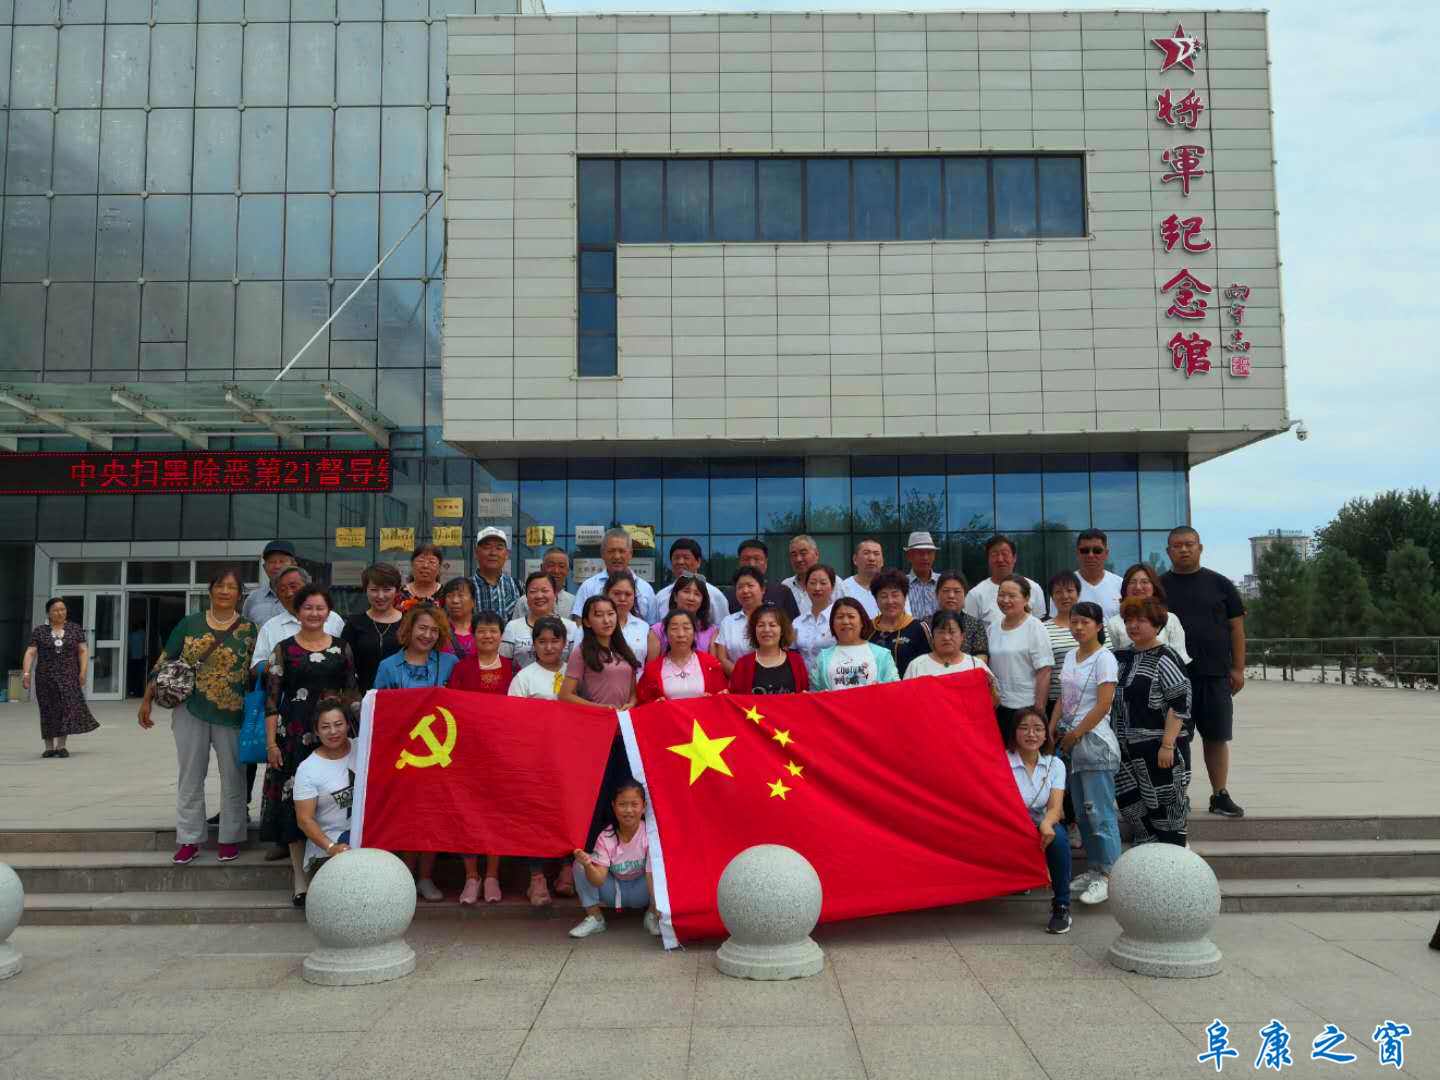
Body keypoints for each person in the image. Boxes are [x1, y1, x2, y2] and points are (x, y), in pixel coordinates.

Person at [137, 568, 257, 865]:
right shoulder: (189, 623)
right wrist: (147, 699)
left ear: (240, 594)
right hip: (190, 708)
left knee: (234, 775)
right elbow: (164, 662)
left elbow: (256, 672)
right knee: (190, 775)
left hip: (233, 713)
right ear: (210, 590)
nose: (225, 591)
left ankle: (230, 838)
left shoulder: (249, 630)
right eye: (220, 585)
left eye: (231, 587)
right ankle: (189, 838)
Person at [260, 583, 359, 907]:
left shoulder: (342, 648)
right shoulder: (284, 649)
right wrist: (271, 743)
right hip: (295, 735)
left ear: (328, 612)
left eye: (320, 608)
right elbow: (271, 700)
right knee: (296, 806)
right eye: (308, 608)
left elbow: (352, 694)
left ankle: (337, 862)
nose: (314, 613)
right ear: (297, 611)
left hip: (336, 730)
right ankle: (300, 879)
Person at [1162, 526, 1246, 819]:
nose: (1184, 550)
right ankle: (1177, 795)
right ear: (1168, 551)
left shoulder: (1221, 585)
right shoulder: (1159, 587)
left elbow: (1237, 628)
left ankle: (1220, 794)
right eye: (1177, 545)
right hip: (1172, 678)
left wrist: (1238, 668)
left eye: (1189, 544)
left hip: (1214, 674)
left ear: (1200, 548)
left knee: (1216, 736)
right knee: (1176, 739)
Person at [1050, 602, 1121, 907]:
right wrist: (1051, 727)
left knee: (1099, 812)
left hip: (1094, 743)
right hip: (1069, 743)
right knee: (1081, 812)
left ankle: (1110, 874)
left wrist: (1076, 733)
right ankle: (1094, 868)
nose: (1078, 628)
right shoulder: (1070, 655)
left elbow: (1104, 704)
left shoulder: (1104, 658)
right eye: (1075, 622)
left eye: (1085, 623)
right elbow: (1063, 698)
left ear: (1098, 626)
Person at [560, 596, 642, 860]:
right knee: (597, 797)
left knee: (624, 794)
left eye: (610, 613)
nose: (606, 620)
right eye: (599, 615)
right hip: (596, 737)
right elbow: (565, 695)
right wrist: (599, 710)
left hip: (625, 735)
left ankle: (623, 857)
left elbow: (633, 692)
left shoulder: (624, 650)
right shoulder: (581, 652)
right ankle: (590, 859)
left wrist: (631, 703)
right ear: (586, 621)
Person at [1112, 595, 1192, 847]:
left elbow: (1179, 704)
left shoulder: (1166, 657)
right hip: (1124, 752)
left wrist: (1168, 744)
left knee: (1166, 812)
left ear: (1157, 625)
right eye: (1128, 620)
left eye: (1141, 620)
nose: (1132, 625)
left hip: (1158, 749)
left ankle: (1174, 864)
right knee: (1134, 811)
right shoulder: (1120, 657)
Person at [1004, 707, 1072, 935]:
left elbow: (1055, 808)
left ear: (1045, 735)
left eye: (1037, 729)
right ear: (1014, 733)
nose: (1031, 734)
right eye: (1024, 728)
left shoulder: (1055, 764)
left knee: (1058, 837)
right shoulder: (1002, 761)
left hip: (1040, 822)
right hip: (1011, 823)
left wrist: (1046, 823)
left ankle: (1061, 906)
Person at [569, 779, 660, 939]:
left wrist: (659, 908)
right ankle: (595, 918)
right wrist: (588, 865)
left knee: (662, 864)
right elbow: (598, 880)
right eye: (622, 804)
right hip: (613, 892)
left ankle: (651, 916)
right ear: (613, 806)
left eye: (634, 804)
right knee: (579, 865)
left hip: (643, 891)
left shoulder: (651, 833)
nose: (628, 810)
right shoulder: (606, 836)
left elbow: (652, 876)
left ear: (644, 807)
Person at [22, 598, 99, 758]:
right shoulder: (40, 631)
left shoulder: (75, 629)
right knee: (48, 709)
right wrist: (26, 673)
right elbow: (30, 652)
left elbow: (83, 651)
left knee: (65, 708)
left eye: (63, 609)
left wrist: (83, 671)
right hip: (45, 677)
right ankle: (49, 747)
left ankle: (61, 746)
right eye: (56, 610)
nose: (60, 613)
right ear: (48, 613)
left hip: (68, 676)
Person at [292, 699, 356, 878]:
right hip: (329, 846)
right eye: (326, 727)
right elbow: (304, 820)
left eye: (338, 724)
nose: (333, 731)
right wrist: (331, 847)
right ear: (316, 731)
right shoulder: (308, 769)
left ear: (348, 725)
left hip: (367, 838)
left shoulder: (364, 748)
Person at [988, 576, 1054, 731]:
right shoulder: (993, 628)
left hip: (1026, 707)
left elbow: (1044, 672)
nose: (1005, 600)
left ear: (1026, 599)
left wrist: (1038, 711)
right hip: (999, 706)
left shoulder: (1035, 627)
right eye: (1001, 595)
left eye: (1012, 596)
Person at [250, 566, 346, 670]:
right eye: (282, 589)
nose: (289, 593)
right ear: (277, 596)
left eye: (293, 586)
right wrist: (279, 663)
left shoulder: (333, 619)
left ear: (308, 587)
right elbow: (256, 667)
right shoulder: (270, 627)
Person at [903, 610, 996, 701]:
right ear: (933, 636)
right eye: (941, 632)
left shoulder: (976, 665)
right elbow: (906, 700)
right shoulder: (916, 666)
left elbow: (993, 701)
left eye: (952, 632)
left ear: (962, 636)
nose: (946, 637)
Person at [636, 610, 727, 703]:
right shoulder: (652, 669)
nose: (681, 634)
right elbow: (642, 702)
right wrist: (655, 704)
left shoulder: (711, 663)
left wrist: (714, 699)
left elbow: (723, 699)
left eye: (686, 628)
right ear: (666, 633)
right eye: (674, 628)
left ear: (694, 633)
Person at [1104, 564, 1190, 662]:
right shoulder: (1113, 623)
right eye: (1132, 582)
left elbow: (1180, 658)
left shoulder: (1170, 619)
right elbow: (1114, 658)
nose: (1138, 587)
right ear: (1125, 588)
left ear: (1154, 587)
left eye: (1144, 582)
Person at [341, 562, 405, 692]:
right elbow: (345, 665)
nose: (380, 596)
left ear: (397, 591)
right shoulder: (354, 624)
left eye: (387, 590)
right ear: (365, 590)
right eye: (374, 590)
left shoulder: (408, 622)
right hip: (363, 697)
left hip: (402, 695)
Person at [572, 527, 658, 623]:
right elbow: (579, 623)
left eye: (622, 551)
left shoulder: (645, 589)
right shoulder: (588, 587)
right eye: (611, 551)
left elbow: (652, 626)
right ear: (602, 554)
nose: (617, 556)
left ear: (630, 554)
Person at [811, 597, 900, 690]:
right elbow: (814, 692)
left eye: (851, 616)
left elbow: (895, 689)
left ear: (862, 622)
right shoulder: (823, 658)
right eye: (840, 617)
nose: (845, 622)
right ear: (832, 624)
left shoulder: (882, 655)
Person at [501, 571, 582, 670]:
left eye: (545, 590)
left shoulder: (571, 628)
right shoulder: (513, 627)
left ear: (555, 594)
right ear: (526, 596)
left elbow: (576, 667)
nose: (539, 596)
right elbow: (504, 665)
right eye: (533, 591)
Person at [964, 535, 1050, 623]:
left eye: (1005, 554)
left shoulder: (1034, 588)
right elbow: (971, 630)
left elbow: (1040, 624)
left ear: (1014, 558)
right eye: (994, 555)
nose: (1000, 559)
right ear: (988, 559)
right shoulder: (975, 594)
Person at [729, 605, 810, 694]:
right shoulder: (743, 664)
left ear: (782, 630)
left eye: (772, 625)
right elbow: (734, 697)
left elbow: (804, 694)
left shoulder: (796, 661)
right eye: (761, 625)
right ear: (754, 630)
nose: (766, 630)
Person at [374, 606, 459, 690]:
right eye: (422, 628)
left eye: (434, 630)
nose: (427, 635)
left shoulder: (450, 663)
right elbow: (379, 698)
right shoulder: (388, 666)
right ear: (409, 628)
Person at [869, 569, 932, 677]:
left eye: (895, 595)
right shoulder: (867, 628)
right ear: (876, 600)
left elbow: (928, 665)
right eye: (884, 596)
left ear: (905, 597)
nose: (890, 601)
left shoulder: (918, 628)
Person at [653, 538, 729, 622]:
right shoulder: (661, 596)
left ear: (698, 562)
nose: (680, 562)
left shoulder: (715, 595)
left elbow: (722, 626)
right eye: (676, 558)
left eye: (686, 558)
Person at [723, 539, 799, 619]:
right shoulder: (728, 595)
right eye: (746, 559)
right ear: (739, 563)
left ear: (766, 563)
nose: (752, 564)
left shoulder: (782, 592)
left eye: (757, 559)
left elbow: (794, 623)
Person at [712, 566, 766, 676]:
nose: (745, 591)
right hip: (736, 681)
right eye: (740, 587)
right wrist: (742, 678)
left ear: (762, 589)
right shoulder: (728, 622)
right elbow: (722, 658)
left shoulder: (776, 618)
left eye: (750, 585)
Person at [650, 572, 719, 655]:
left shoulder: (712, 631)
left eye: (697, 594)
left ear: (702, 601)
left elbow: (713, 662)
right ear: (675, 596)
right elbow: (653, 663)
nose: (691, 598)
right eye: (686, 592)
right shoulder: (658, 631)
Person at [447, 610, 513, 696]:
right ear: (473, 636)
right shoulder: (461, 668)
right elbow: (452, 698)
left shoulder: (511, 667)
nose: (487, 636)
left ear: (501, 636)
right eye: (481, 631)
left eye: (493, 631)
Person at [507, 616, 571, 700]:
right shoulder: (523, 678)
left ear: (564, 643)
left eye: (554, 641)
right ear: (534, 644)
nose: (548, 647)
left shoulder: (574, 674)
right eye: (542, 642)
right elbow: (513, 707)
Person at [838, 538, 903, 619]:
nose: (871, 558)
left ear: (882, 561)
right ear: (855, 559)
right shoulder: (843, 588)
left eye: (876, 554)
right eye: (866, 553)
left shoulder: (896, 587)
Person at [604, 570, 659, 665]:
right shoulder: (595, 625)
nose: (622, 599)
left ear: (634, 596)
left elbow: (650, 667)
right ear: (606, 594)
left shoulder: (644, 628)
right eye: (616, 593)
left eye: (628, 594)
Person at [1043, 571, 1081, 709]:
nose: (1065, 596)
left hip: (1090, 700)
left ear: (1078, 594)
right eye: (1058, 592)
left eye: (1070, 591)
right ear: (1052, 597)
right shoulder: (1042, 629)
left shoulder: (1095, 625)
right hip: (1056, 701)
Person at [793, 563, 838, 676]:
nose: (817, 588)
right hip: (805, 681)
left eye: (823, 583)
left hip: (832, 679)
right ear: (806, 587)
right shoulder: (798, 622)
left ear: (832, 587)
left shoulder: (839, 619)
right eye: (812, 583)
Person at [512, 546, 576, 621]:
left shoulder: (574, 602)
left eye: (561, 566)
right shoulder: (524, 601)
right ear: (542, 568)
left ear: (567, 571)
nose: (556, 570)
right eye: (551, 565)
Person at [935, 571, 990, 659]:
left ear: (965, 595)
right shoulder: (926, 624)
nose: (951, 595)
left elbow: (981, 656)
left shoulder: (975, 625)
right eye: (946, 591)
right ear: (937, 594)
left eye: (957, 591)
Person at [471, 526, 521, 620]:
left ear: (507, 554)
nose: (493, 553)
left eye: (499, 548)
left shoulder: (518, 586)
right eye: (486, 547)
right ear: (476, 553)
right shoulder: (466, 588)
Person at [242, 540, 297, 626]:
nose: (277, 566)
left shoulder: (305, 597)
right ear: (264, 567)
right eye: (272, 562)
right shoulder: (253, 599)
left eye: (282, 561)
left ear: (294, 565)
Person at [1075, 529, 1124, 620]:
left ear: (1106, 553)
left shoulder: (1121, 585)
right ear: (1077, 553)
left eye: (1097, 550)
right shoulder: (1065, 586)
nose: (1090, 555)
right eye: (1085, 550)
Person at [903, 531, 942, 619]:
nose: (925, 557)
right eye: (920, 553)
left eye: (929, 552)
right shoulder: (901, 584)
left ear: (934, 555)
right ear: (909, 556)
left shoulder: (943, 582)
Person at [441, 577, 479, 660]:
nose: (455, 601)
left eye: (461, 595)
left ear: (473, 602)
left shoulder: (482, 628)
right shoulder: (438, 628)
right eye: (450, 596)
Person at [781, 535, 820, 615]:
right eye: (794, 555)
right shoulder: (786, 585)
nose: (798, 559)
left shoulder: (834, 583)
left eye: (803, 553)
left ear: (816, 554)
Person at [397, 544, 444, 610]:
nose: (425, 566)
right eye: (420, 561)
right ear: (412, 564)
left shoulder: (445, 594)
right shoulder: (399, 594)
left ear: (439, 567)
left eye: (432, 562)